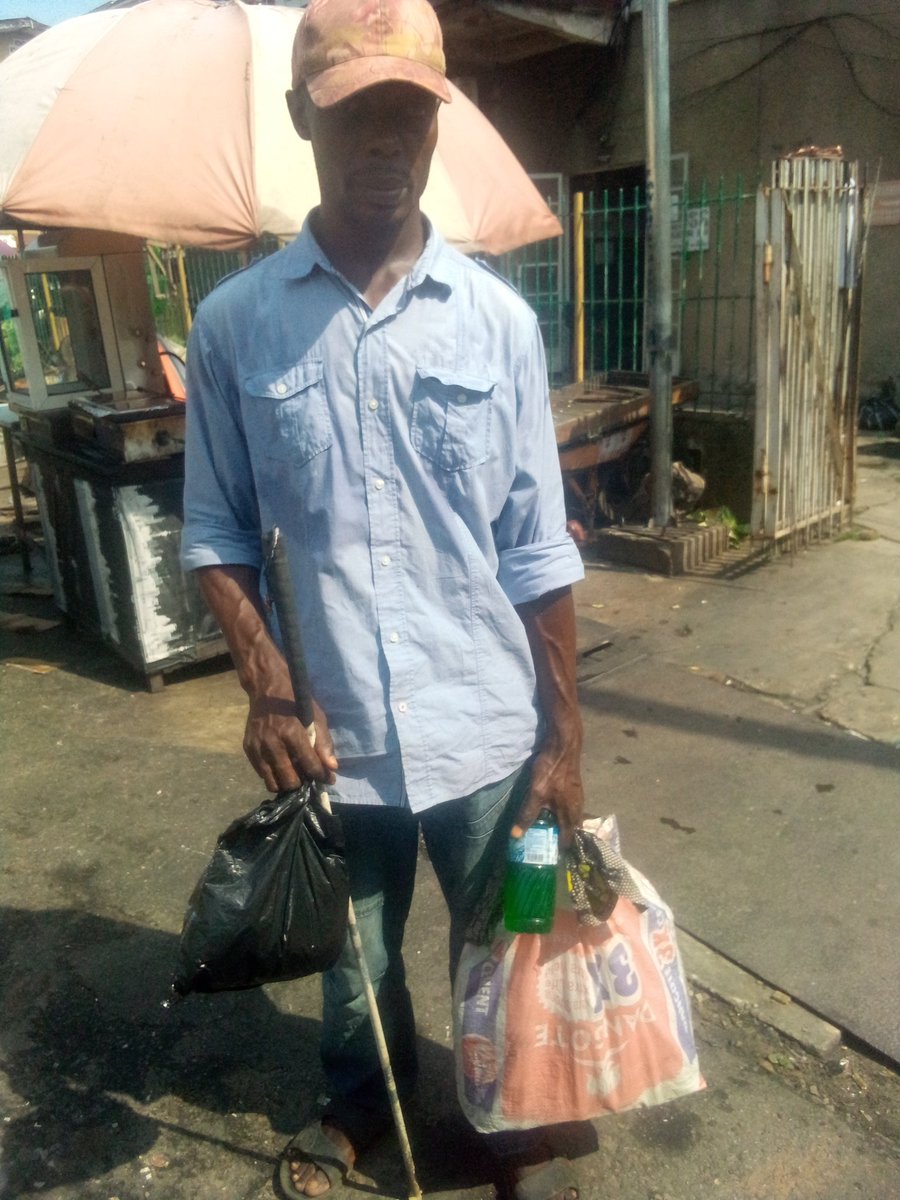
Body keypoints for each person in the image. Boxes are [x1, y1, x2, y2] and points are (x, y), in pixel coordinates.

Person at [181, 1, 585, 1197]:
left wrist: (565, 742)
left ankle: (507, 1110)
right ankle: (362, 1107)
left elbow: (535, 549)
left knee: (498, 944)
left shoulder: (500, 326)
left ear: (436, 127)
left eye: (409, 113)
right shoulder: (234, 327)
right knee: (355, 959)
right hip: (332, 732)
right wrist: (264, 688)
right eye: (357, 112)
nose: (385, 143)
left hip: (482, 721)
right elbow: (214, 530)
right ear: (305, 114)